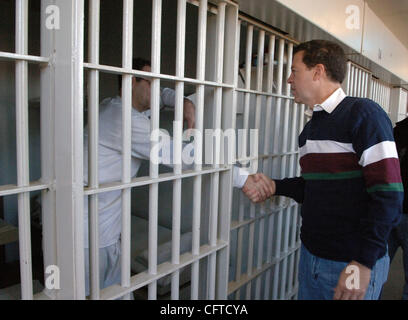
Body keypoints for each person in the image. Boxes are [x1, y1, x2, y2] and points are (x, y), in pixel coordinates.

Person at [83, 57, 270, 296]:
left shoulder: (113, 106)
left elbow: (161, 96)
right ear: (130, 83)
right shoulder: (122, 119)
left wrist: (183, 102)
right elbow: (182, 156)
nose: (157, 88)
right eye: (151, 82)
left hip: (101, 227)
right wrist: (242, 177)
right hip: (92, 236)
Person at [243, 40, 404, 300]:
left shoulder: (363, 115)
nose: (288, 79)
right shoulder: (310, 131)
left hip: (350, 262)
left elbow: (389, 194)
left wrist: (362, 263)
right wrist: (275, 185)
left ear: (317, 71)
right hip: (312, 258)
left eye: (294, 71)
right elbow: (315, 186)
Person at [387, 116, 408, 300]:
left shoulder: (399, 130)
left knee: (374, 270)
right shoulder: (398, 130)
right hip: (393, 210)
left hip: (390, 207)